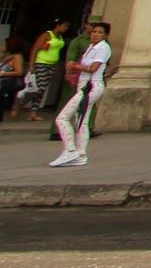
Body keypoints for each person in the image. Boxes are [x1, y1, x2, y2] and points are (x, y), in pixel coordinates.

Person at [49, 20, 113, 167]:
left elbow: (93, 68)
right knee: (81, 121)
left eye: (100, 32)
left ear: (105, 35)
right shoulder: (92, 47)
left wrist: (76, 66)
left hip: (90, 87)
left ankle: (70, 150)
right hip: (84, 86)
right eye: (94, 31)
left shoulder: (103, 48)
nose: (96, 34)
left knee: (62, 118)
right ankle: (81, 154)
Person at [19, 19, 71, 123]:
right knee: (40, 87)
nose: (66, 29)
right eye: (64, 26)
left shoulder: (60, 37)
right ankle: (20, 102)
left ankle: (33, 112)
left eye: (67, 27)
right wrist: (31, 65)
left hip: (52, 65)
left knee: (43, 89)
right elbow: (35, 49)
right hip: (41, 63)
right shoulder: (47, 35)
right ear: (58, 25)